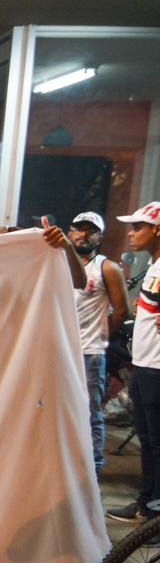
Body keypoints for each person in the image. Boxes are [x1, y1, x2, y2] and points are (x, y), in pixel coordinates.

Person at [108, 202, 160, 522]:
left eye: (139, 226)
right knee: (149, 441)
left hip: (157, 368)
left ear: (157, 229)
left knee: (157, 443)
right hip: (144, 364)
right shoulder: (154, 265)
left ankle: (155, 515)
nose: (131, 232)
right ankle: (146, 503)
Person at [67, 211, 129, 477]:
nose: (83, 234)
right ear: (70, 232)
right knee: (61, 409)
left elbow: (121, 311)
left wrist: (98, 335)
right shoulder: (59, 263)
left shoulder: (107, 268)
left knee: (91, 412)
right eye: (78, 228)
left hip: (90, 353)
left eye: (90, 230)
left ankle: (93, 469)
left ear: (99, 236)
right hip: (62, 351)